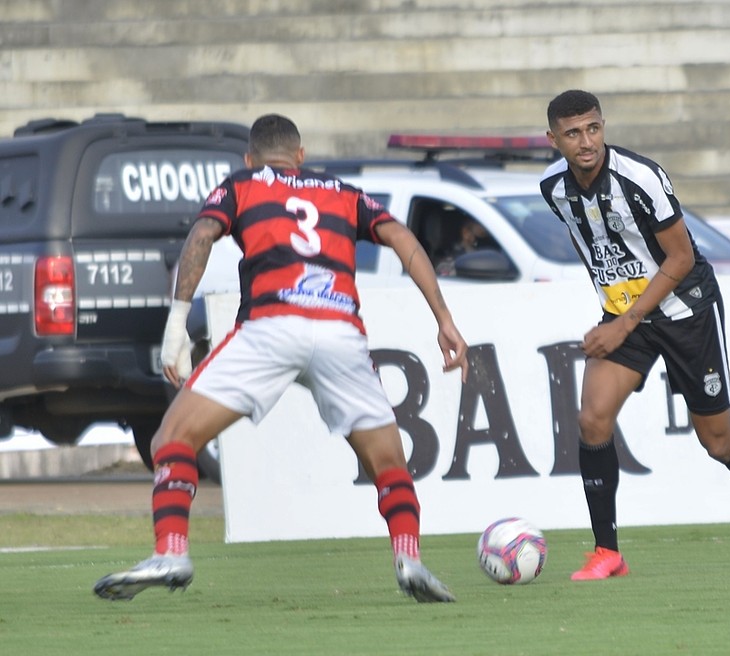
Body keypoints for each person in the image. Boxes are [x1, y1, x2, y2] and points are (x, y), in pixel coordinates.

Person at [93, 114, 467, 603]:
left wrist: (176, 322)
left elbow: (202, 235)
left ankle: (173, 550)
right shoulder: (343, 192)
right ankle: (409, 557)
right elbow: (404, 240)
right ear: (301, 156)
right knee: (389, 463)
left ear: (249, 159)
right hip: (339, 332)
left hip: (272, 326)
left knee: (173, 437)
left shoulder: (242, 183)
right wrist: (443, 318)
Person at [539, 90, 730, 580]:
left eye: (593, 128)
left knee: (718, 443)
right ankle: (607, 552)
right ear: (553, 140)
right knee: (592, 420)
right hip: (626, 316)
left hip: (686, 312)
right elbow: (600, 246)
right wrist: (612, 310)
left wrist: (624, 322)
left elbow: (680, 259)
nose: (586, 141)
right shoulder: (552, 188)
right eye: (573, 133)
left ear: (603, 126)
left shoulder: (642, 179)